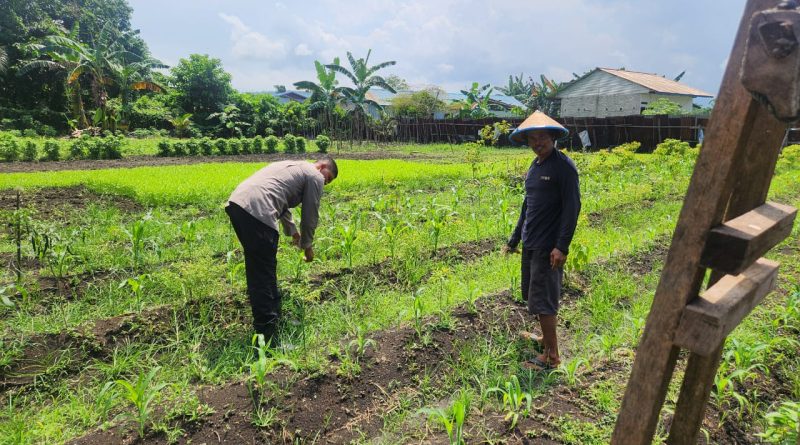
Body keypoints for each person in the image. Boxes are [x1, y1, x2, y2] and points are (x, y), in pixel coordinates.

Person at [225, 157, 338, 344]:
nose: (325, 183)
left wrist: (293, 232)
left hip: (239, 204)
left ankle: (275, 319)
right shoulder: (314, 175)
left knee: (262, 268)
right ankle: (268, 337)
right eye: (328, 178)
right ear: (323, 166)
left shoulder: (295, 167)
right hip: (258, 209)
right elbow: (310, 214)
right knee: (262, 274)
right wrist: (307, 246)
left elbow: (281, 201)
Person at [503, 111, 581, 370]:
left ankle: (552, 356)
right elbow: (527, 206)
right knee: (534, 295)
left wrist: (562, 246)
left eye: (542, 137)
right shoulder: (535, 167)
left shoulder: (564, 167)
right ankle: (544, 340)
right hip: (531, 242)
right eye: (532, 139)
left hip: (549, 246)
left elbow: (572, 208)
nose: (538, 143)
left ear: (553, 137)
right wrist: (514, 239)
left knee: (545, 300)